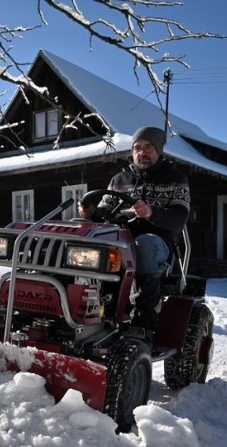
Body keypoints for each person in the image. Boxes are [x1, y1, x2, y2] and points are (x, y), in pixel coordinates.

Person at [78, 126, 190, 342]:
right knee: (80, 236)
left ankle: (143, 321)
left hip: (158, 243)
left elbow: (180, 216)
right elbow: (103, 213)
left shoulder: (176, 179)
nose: (142, 152)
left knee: (143, 245)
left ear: (158, 149)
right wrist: (90, 213)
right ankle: (84, 309)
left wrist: (152, 212)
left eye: (148, 147)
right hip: (118, 239)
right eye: (137, 147)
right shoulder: (120, 180)